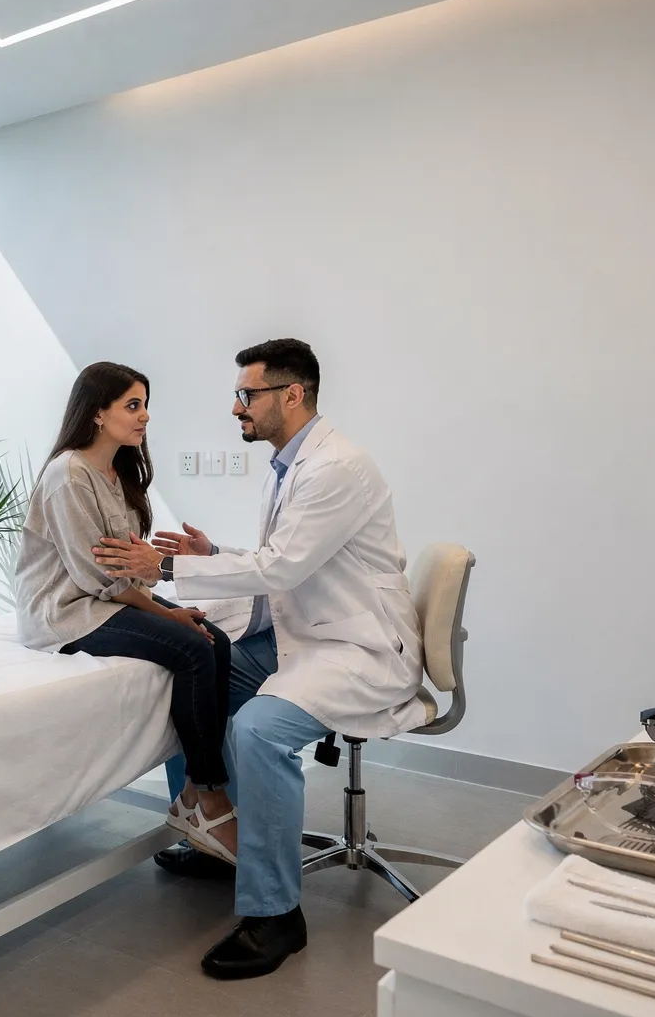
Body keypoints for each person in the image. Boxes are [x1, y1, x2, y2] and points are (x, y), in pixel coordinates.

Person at [95, 339, 423, 980]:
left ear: (291, 395)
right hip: (307, 634)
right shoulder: (291, 464)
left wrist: (166, 567)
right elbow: (292, 558)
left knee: (258, 730)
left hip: (358, 646)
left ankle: (276, 914)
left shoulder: (336, 469)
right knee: (196, 669)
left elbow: (282, 567)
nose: (236, 407)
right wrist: (212, 553)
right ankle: (218, 836)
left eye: (247, 394)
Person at [15, 362, 241, 863]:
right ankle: (212, 801)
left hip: (107, 598)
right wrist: (165, 614)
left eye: (145, 405)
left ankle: (192, 796)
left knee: (216, 640)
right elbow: (97, 575)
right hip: (67, 611)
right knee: (193, 647)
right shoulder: (68, 475)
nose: (145, 416)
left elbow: (127, 567)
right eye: (132, 405)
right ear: (97, 413)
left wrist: (162, 601)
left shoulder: (116, 474)